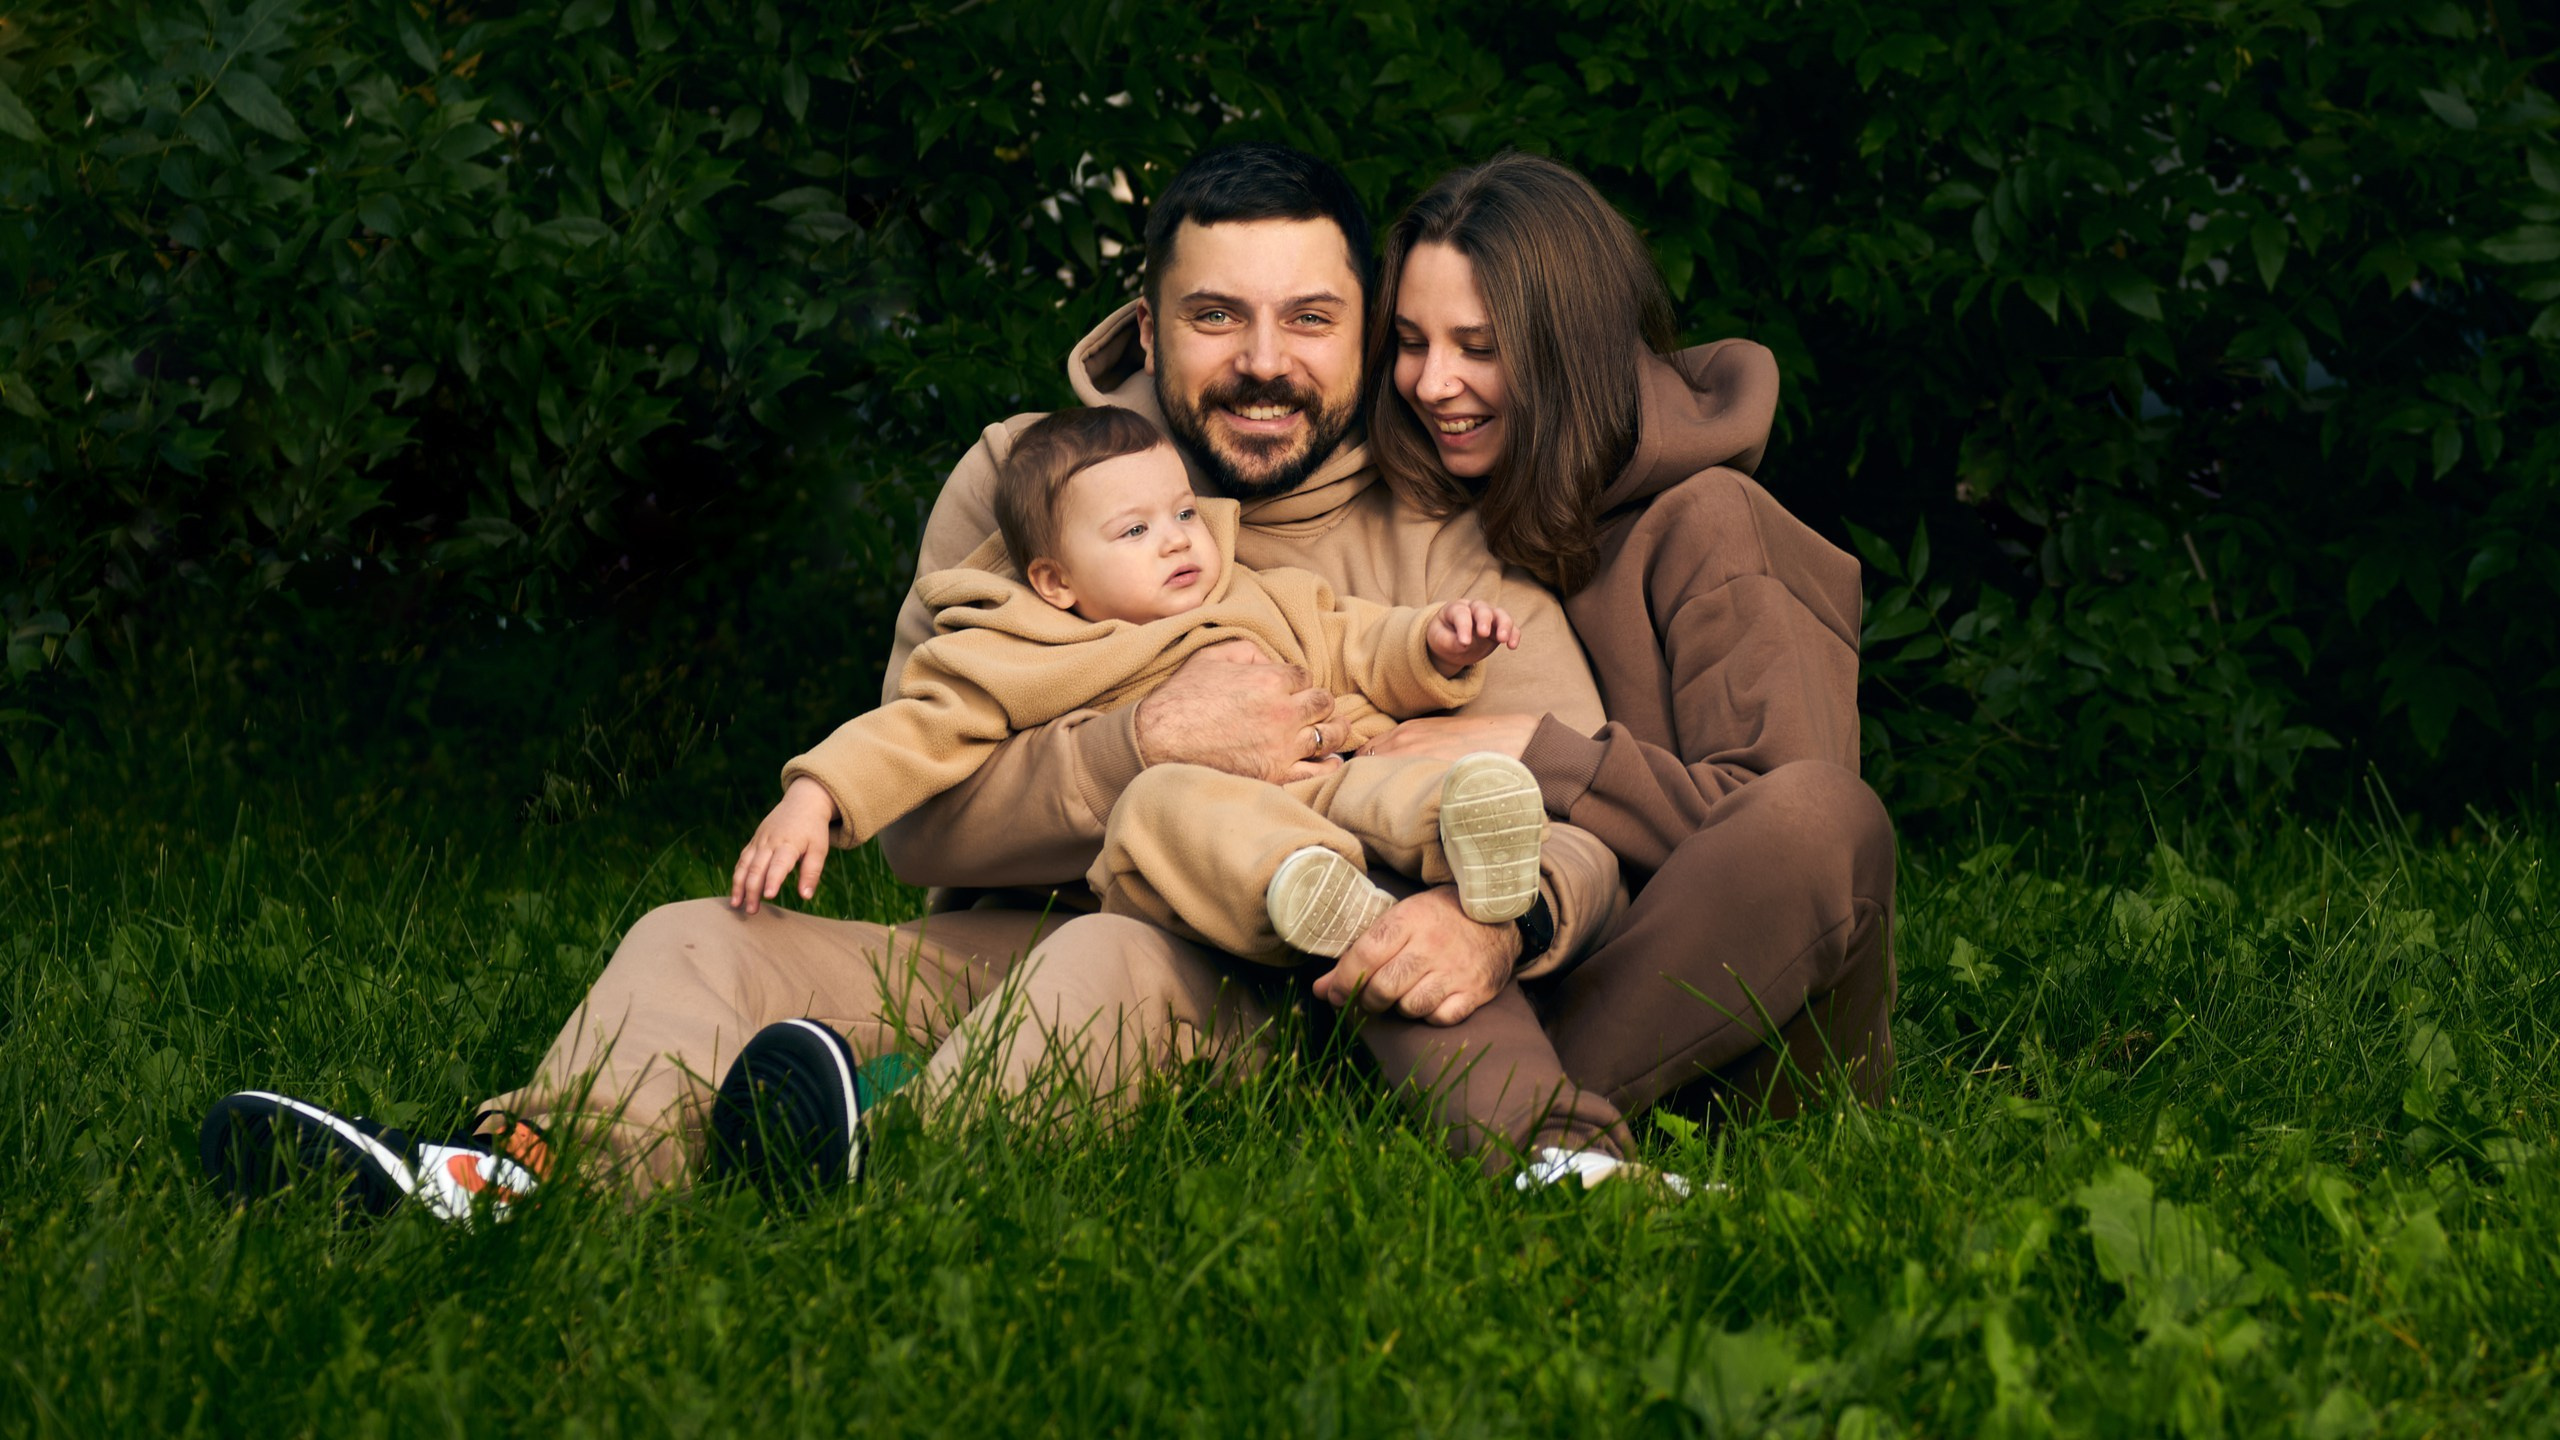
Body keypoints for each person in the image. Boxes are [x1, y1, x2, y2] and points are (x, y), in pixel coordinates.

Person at [198, 143, 1633, 1218]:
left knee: (1106, 962)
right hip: (982, 946)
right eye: (1217, 317)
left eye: (1311, 319)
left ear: (1368, 329)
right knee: (698, 937)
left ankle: (865, 1155)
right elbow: (927, 819)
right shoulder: (1031, 489)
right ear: (1146, 319)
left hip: (1245, 980)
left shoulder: (1449, 540)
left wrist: (1484, 919)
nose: (1264, 365)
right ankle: (515, 1169)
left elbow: (1578, 805)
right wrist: (1136, 743)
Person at [762, 401, 1562, 963]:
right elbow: (918, 725)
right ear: (1055, 580)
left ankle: (1469, 824)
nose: (1178, 542)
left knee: (1395, 774)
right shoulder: (1022, 644)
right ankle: (1312, 893)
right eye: (1136, 531)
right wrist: (819, 793)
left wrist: (1434, 642)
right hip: (1218, 821)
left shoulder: (1251, 592)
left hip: (1335, 768)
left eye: (1183, 513)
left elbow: (1356, 639)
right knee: (1160, 802)